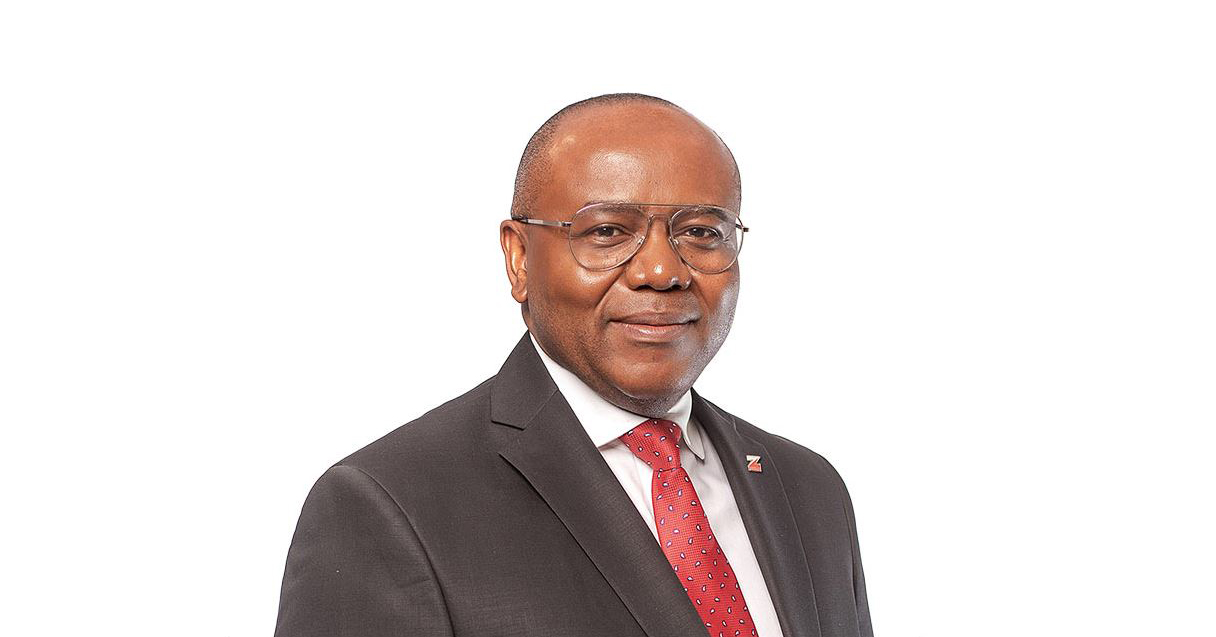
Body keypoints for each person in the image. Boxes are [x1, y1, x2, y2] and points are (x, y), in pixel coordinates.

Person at [274, 93, 873, 637]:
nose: (662, 271)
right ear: (518, 259)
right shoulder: (388, 507)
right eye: (608, 231)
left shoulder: (809, 490)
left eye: (700, 232)